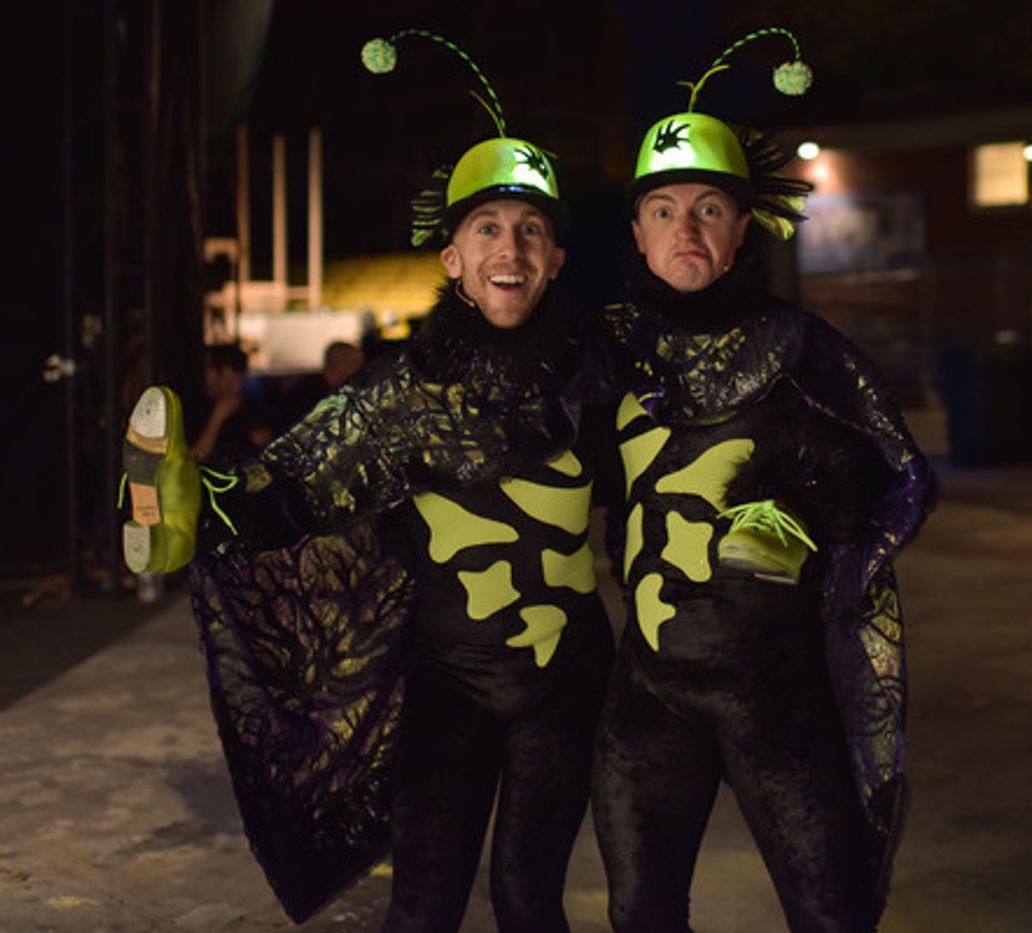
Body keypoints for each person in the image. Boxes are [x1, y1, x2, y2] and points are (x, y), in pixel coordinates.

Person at [118, 31, 612, 933]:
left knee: (529, 894)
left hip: (566, 686)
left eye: (533, 230)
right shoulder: (400, 388)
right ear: (452, 258)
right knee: (421, 903)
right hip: (445, 691)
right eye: (489, 228)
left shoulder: (599, 372)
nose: (514, 245)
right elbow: (297, 481)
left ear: (557, 261)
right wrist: (204, 500)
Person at [590, 30, 936, 933]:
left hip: (777, 697)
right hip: (648, 694)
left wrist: (812, 546)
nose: (686, 228)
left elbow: (904, 476)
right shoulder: (603, 350)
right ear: (636, 229)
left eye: (710, 207)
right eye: (664, 209)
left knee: (834, 914)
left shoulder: (805, 350)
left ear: (745, 228)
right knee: (640, 916)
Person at [189, 342, 276, 465]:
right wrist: (217, 418)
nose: (236, 388)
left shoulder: (249, 409)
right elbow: (195, 458)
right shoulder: (195, 407)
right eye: (229, 382)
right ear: (213, 374)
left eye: (240, 381)